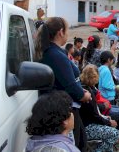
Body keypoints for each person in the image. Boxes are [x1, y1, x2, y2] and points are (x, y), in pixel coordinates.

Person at [35, 17, 92, 152]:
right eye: (67, 30)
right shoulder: (54, 55)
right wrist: (84, 95)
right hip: (63, 109)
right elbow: (70, 85)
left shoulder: (54, 52)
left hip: (64, 106)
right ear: (61, 32)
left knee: (81, 143)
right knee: (76, 145)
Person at [79, 64, 119, 151]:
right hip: (87, 127)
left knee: (110, 134)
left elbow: (94, 113)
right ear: (95, 77)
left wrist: (106, 119)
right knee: (116, 133)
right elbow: (95, 116)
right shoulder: (88, 92)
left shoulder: (84, 87)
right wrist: (108, 122)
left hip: (84, 124)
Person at [98, 51, 119, 133]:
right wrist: (115, 87)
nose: (113, 61)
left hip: (104, 96)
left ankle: (113, 131)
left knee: (111, 115)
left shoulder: (100, 68)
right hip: (107, 97)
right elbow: (106, 85)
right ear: (109, 60)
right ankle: (116, 132)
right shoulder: (106, 70)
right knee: (112, 115)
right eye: (112, 59)